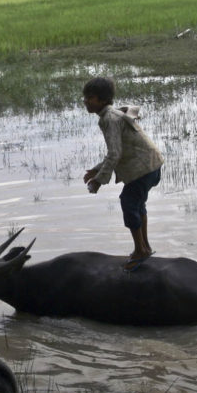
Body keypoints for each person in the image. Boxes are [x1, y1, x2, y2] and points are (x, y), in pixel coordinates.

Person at [82, 77, 164, 271]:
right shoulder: (110, 115)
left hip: (143, 168)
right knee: (137, 204)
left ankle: (140, 250)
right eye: (85, 98)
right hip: (152, 165)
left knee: (128, 203)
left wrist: (99, 181)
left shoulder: (109, 119)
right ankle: (145, 246)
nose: (86, 101)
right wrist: (96, 169)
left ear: (102, 100)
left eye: (90, 98)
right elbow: (118, 150)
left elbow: (114, 154)